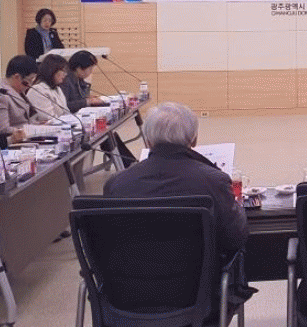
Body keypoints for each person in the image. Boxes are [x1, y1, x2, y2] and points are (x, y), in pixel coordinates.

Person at [103, 102, 253, 324]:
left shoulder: (117, 185)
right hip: (197, 299)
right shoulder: (213, 180)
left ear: (148, 141)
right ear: (194, 140)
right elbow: (235, 237)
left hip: (126, 298)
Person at [0, 55, 38, 135]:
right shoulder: (0, 95)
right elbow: (2, 130)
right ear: (17, 77)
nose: (30, 85)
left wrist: (39, 125)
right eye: (29, 80)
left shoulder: (18, 90)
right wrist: (30, 131)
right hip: (16, 140)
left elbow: (27, 120)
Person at [27, 54, 70, 122]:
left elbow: (66, 112)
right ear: (52, 70)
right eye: (63, 71)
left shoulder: (57, 88)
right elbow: (48, 118)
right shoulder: (38, 90)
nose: (65, 74)